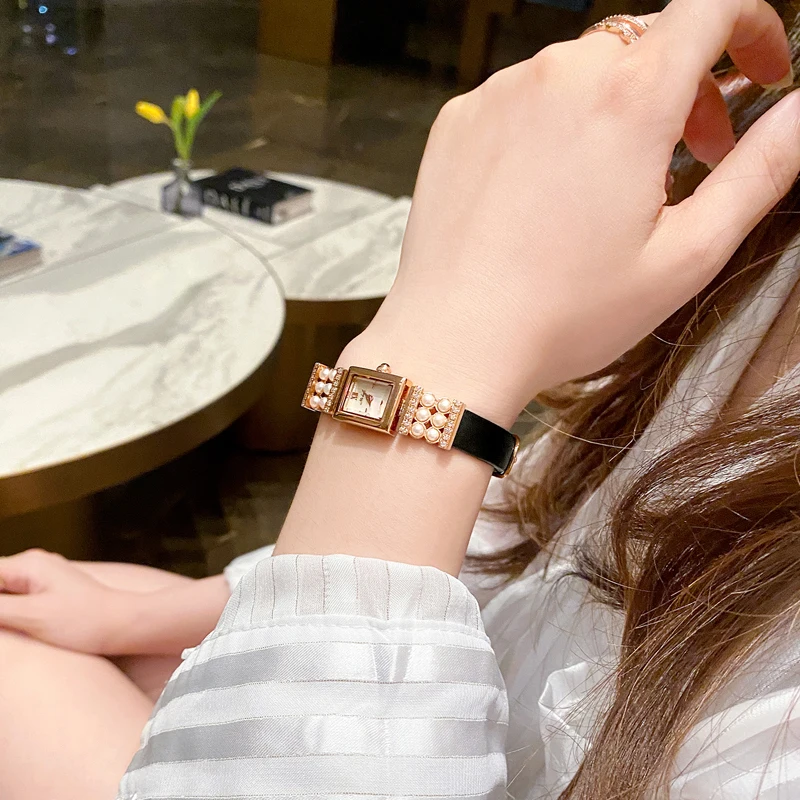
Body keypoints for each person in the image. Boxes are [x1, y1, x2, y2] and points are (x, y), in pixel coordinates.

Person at [2, 0, 800, 797]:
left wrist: (447, 341)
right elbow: (519, 522)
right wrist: (165, 612)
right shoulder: (758, 230)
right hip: (415, 674)